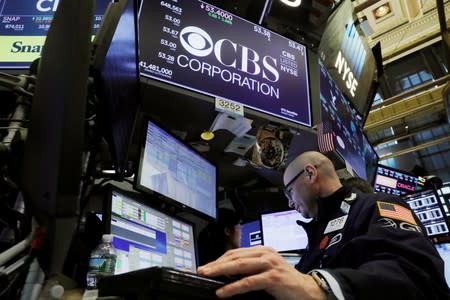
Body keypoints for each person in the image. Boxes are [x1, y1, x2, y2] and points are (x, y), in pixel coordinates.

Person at [197, 151, 449, 300]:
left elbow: (418, 278)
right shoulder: (319, 232)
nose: (289, 202)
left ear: (310, 174)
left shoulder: (376, 205)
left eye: (289, 191)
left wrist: (319, 288)